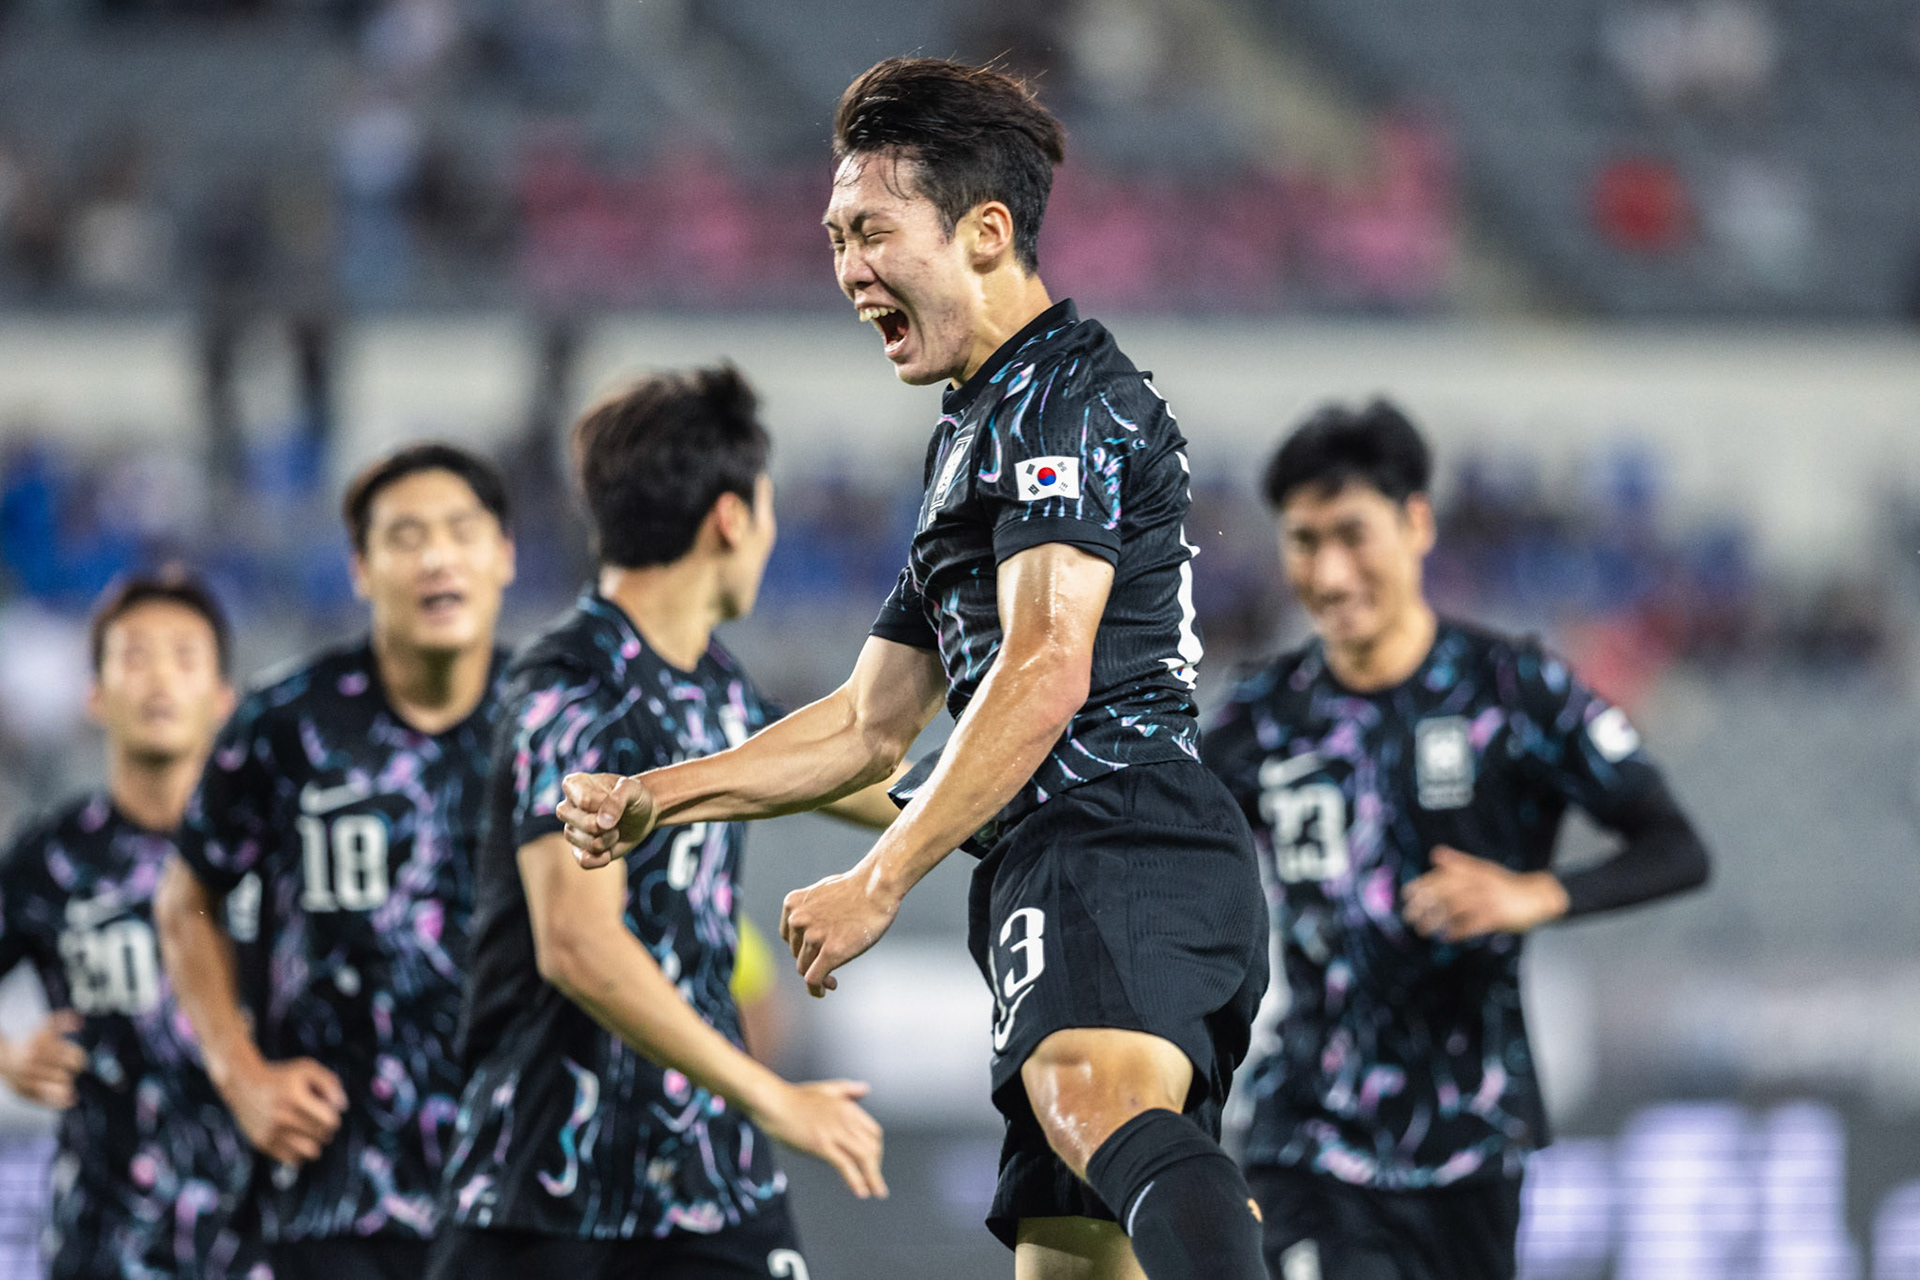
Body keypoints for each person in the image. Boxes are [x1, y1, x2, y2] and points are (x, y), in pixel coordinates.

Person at [558, 58, 1270, 1280]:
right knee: (1074, 1249)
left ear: (985, 232)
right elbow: (865, 723)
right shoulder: (974, 437)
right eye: (836, 239)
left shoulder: (1061, 396)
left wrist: (879, 877)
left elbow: (1047, 665)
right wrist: (657, 796)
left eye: (872, 231)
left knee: (1090, 1090)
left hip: (1115, 839)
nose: (848, 268)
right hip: (1081, 856)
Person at [1200, 401, 1713, 1280]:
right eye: (1304, 542)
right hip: (1306, 1132)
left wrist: (1535, 894)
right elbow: (1177, 856)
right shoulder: (1262, 716)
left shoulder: (1512, 692)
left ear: (1416, 525)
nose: (1329, 573)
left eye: (1352, 536)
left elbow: (1675, 848)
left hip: (1472, 1139)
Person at [429, 367, 893, 1280]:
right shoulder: (572, 687)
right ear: (731, 517)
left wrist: (1028, 795)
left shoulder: (714, 685)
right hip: (550, 1193)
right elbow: (578, 946)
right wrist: (773, 1097)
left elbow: (873, 777)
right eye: (767, 507)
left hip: (704, 1185)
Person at [155, 444, 516, 1280]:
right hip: (336, 1193)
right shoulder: (289, 724)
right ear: (360, 568)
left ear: (504, 556)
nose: (436, 558)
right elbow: (187, 900)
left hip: (516, 1192)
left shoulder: (553, 723)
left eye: (461, 531)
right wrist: (240, 1070)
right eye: (406, 536)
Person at [0, 570, 262, 1279]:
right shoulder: (53, 858)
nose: (159, 680)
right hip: (103, 1241)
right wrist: (8, 1057)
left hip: (259, 1242)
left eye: (184, 657)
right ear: (94, 694)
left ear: (223, 698)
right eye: (135, 656)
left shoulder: (272, 850)